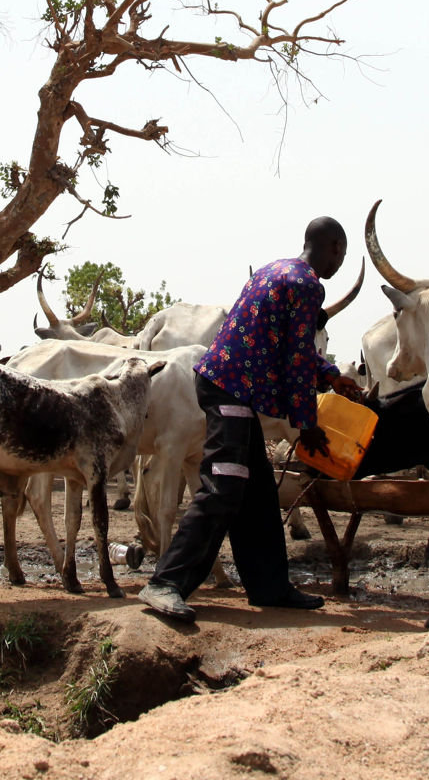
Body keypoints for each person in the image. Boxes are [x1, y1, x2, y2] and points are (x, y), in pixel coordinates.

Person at [138, 216, 368, 621]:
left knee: (257, 492)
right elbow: (295, 360)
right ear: (333, 247)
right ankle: (166, 582)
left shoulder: (273, 271)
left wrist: (332, 376)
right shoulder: (308, 285)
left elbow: (288, 346)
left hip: (228, 385)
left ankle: (270, 586)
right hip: (232, 389)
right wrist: (308, 426)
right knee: (223, 485)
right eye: (342, 255)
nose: (340, 264)